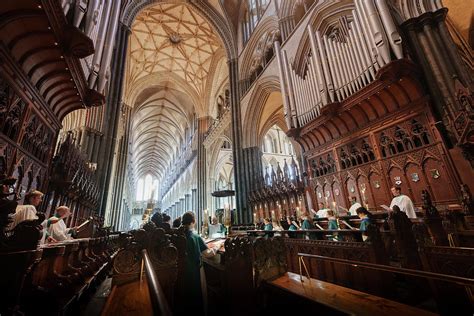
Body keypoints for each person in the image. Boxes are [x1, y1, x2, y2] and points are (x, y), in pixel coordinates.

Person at [179, 211, 216, 315]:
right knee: (197, 296)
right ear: (193, 221)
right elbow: (208, 254)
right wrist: (216, 248)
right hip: (194, 271)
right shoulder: (195, 237)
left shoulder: (179, 235)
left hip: (182, 271)